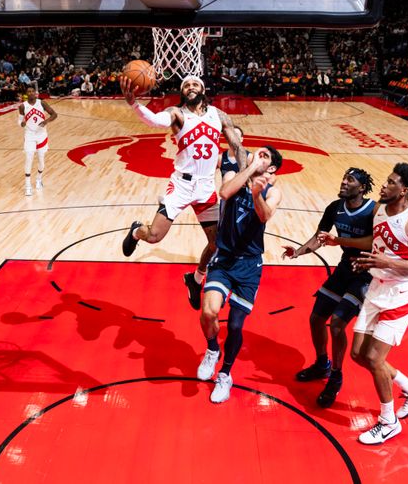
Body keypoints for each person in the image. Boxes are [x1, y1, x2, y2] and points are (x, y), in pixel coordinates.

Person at [318, 162, 408, 444]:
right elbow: (377, 240)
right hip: (376, 288)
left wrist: (386, 261)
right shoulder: (381, 210)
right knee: (359, 355)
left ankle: (388, 421)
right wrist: (340, 241)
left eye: (390, 182)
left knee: (374, 358)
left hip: (402, 293)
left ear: (404, 190)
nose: (383, 185)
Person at [120, 75, 247, 310]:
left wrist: (244, 175)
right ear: (182, 91)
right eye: (186, 85)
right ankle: (137, 231)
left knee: (217, 243)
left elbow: (237, 147)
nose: (190, 87)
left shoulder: (219, 116)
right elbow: (156, 121)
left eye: (194, 84)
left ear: (202, 89)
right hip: (181, 185)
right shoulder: (177, 113)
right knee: (155, 236)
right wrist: (134, 105)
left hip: (206, 186)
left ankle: (196, 279)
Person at [283, 168, 376, 408]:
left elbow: (374, 242)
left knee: (336, 324)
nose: (344, 182)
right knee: (316, 318)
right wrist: (299, 251)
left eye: (350, 180)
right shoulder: (335, 207)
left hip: (366, 273)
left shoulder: (374, 210)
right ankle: (322, 364)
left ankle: (336, 376)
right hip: (346, 267)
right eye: (344, 177)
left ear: (362, 188)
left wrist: (341, 242)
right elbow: (320, 236)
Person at [197, 146, 283, 403]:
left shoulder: (273, 191)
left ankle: (225, 374)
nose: (258, 155)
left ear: (272, 168)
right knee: (209, 312)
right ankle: (212, 351)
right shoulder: (233, 174)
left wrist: (257, 193)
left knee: (235, 325)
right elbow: (224, 192)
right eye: (257, 152)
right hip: (224, 259)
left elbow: (265, 215)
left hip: (249, 266)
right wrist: (249, 171)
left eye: (265, 156)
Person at [18, 86, 57, 196]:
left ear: (35, 93)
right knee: (29, 158)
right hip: (29, 135)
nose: (30, 93)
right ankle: (27, 186)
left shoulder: (42, 103)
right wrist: (22, 124)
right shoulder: (22, 106)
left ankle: (39, 179)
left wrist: (46, 121)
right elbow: (19, 122)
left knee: (41, 159)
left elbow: (54, 114)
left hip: (41, 135)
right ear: (26, 94)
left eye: (32, 91)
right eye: (28, 92)